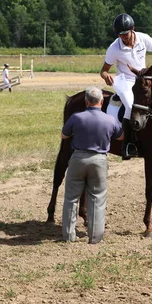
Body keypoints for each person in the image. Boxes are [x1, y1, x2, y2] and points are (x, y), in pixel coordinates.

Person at [61, 86, 124, 244]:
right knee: (98, 198)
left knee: (71, 198)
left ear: (86, 101)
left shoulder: (76, 118)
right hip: (99, 161)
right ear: (102, 101)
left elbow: (64, 135)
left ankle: (69, 236)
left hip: (78, 158)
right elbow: (121, 137)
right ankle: (95, 237)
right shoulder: (110, 120)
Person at [99, 13, 152, 160]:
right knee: (131, 105)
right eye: (120, 34)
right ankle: (128, 144)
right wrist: (106, 76)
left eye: (126, 33)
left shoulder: (144, 38)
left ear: (133, 29)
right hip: (125, 81)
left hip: (142, 78)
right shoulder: (114, 48)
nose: (124, 37)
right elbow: (103, 70)